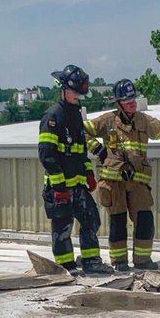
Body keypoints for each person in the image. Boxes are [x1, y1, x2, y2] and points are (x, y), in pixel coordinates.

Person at [84, 78, 160, 271]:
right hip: (113, 183)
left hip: (138, 182)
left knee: (145, 221)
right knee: (118, 222)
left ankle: (142, 260)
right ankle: (119, 262)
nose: (132, 103)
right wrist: (97, 149)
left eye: (134, 100)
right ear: (119, 103)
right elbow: (81, 131)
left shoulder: (144, 121)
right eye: (128, 101)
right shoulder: (107, 121)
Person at [38, 64, 106, 275]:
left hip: (77, 185)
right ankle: (66, 267)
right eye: (75, 92)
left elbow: (80, 151)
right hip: (60, 187)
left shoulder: (75, 115)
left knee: (91, 219)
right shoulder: (52, 116)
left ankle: (91, 261)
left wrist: (87, 172)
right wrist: (58, 185)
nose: (78, 96)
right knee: (62, 228)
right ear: (64, 89)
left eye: (80, 94)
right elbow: (47, 155)